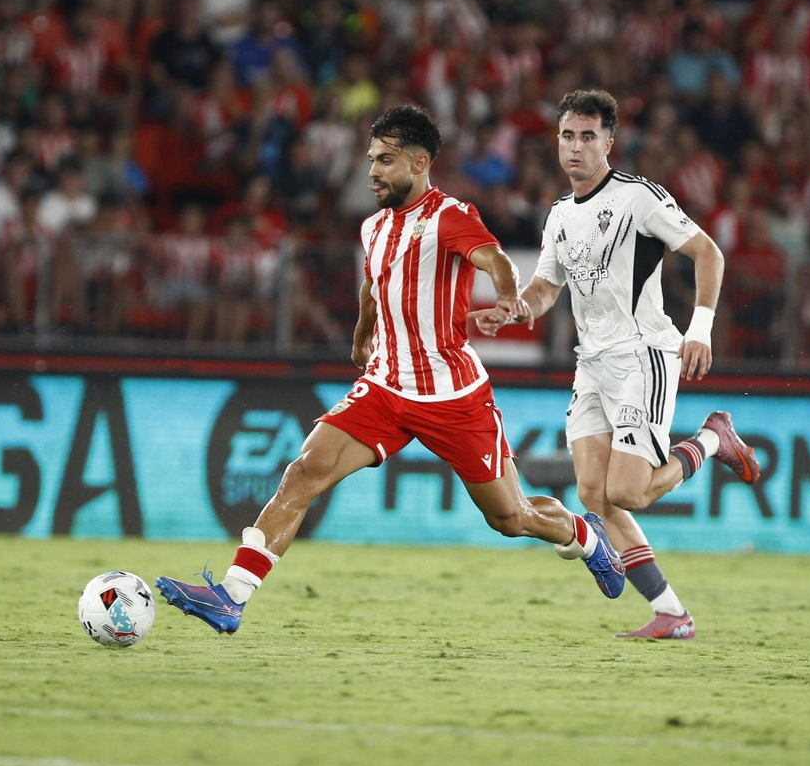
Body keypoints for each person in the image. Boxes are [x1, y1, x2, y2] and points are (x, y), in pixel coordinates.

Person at [155, 105, 629, 633]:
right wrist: (361, 339)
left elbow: (494, 259)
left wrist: (508, 297)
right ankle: (231, 596)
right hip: (383, 385)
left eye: (385, 160)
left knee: (510, 517)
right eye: (371, 159)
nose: (373, 172)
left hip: (453, 395)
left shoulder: (449, 216)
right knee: (302, 473)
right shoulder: (374, 226)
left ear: (420, 163)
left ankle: (585, 537)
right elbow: (372, 285)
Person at [473, 89, 761, 639]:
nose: (576, 147)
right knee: (593, 494)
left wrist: (699, 328)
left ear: (609, 142)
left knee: (627, 493)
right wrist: (514, 311)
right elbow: (545, 288)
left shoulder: (638, 197)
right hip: (592, 364)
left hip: (642, 355)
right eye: (567, 136)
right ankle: (673, 614)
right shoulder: (559, 214)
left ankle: (711, 440)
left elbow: (708, 253)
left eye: (587, 136)